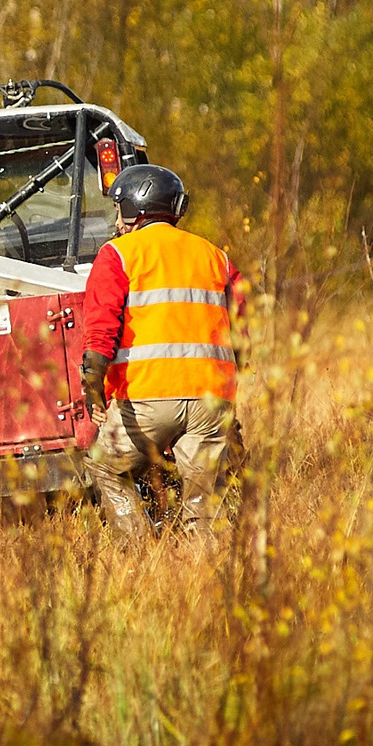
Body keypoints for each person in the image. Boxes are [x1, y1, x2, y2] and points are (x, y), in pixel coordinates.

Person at [74, 163, 248, 538]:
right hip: (211, 401)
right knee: (204, 505)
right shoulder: (216, 256)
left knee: (104, 467)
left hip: (147, 398)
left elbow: (100, 330)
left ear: (136, 210)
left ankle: (139, 555)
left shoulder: (118, 255)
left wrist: (93, 389)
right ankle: (204, 577)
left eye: (119, 210)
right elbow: (243, 330)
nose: (117, 221)